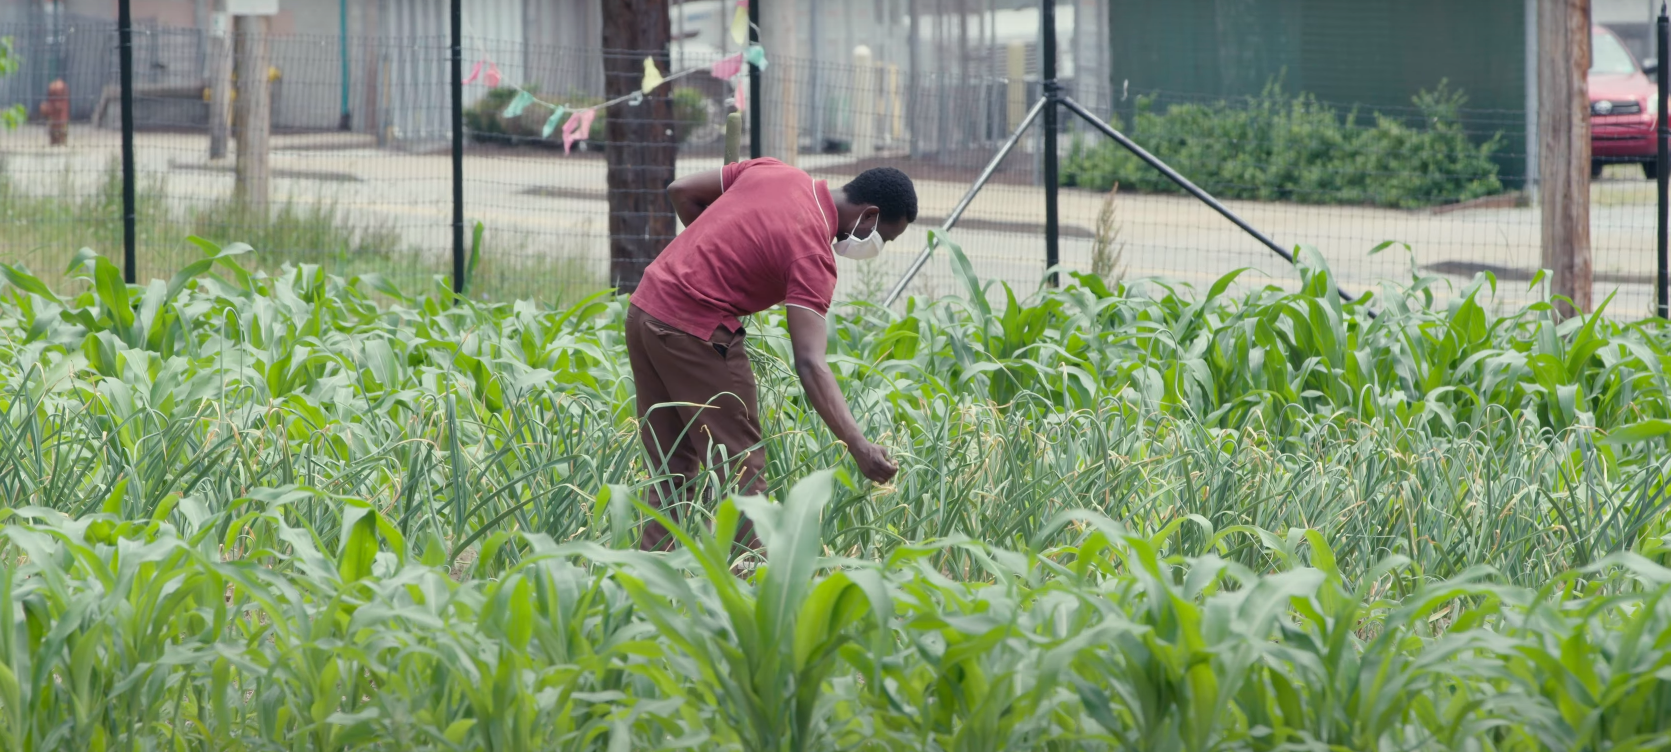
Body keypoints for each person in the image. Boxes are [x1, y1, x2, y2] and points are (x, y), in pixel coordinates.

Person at [626, 158, 917, 551]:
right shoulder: (812, 253)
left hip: (645, 311)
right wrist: (858, 444)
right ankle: (755, 596)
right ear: (869, 217)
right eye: (886, 238)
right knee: (740, 474)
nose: (879, 247)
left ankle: (643, 593)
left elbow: (682, 190)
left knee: (671, 470)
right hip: (695, 333)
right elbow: (811, 363)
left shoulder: (775, 171)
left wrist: (722, 255)